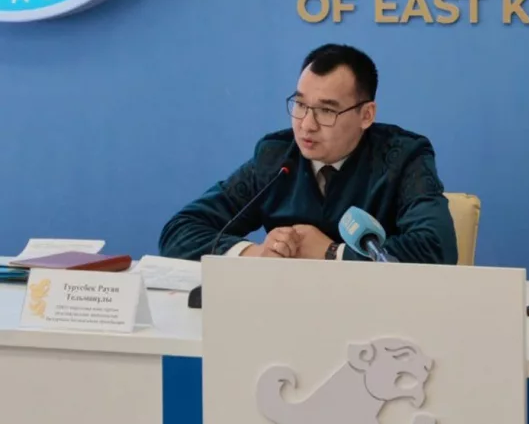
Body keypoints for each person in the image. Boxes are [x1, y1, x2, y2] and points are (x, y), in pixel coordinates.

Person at [159, 43, 458, 264]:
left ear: (366, 115)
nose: (306, 125)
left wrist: (332, 252)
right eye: (301, 105)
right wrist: (256, 253)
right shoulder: (275, 157)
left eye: (326, 111)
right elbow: (180, 231)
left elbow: (437, 248)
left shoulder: (403, 157)